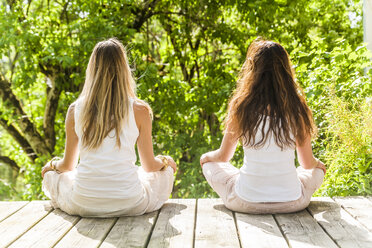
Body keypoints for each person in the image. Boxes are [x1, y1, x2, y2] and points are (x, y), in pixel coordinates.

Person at [42, 38, 177, 217]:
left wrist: (51, 165)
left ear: (92, 71)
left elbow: (67, 166)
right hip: (131, 203)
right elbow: (149, 166)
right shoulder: (140, 109)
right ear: (124, 70)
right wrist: (166, 162)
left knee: (55, 177)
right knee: (162, 173)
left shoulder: (75, 110)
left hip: (83, 204)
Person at [200, 39, 326, 214]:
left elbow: (223, 157)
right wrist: (319, 165)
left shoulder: (241, 107)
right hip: (292, 203)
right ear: (286, 70)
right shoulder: (297, 108)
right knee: (315, 171)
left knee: (210, 165)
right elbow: (306, 163)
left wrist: (206, 157)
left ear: (252, 70)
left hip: (245, 202)